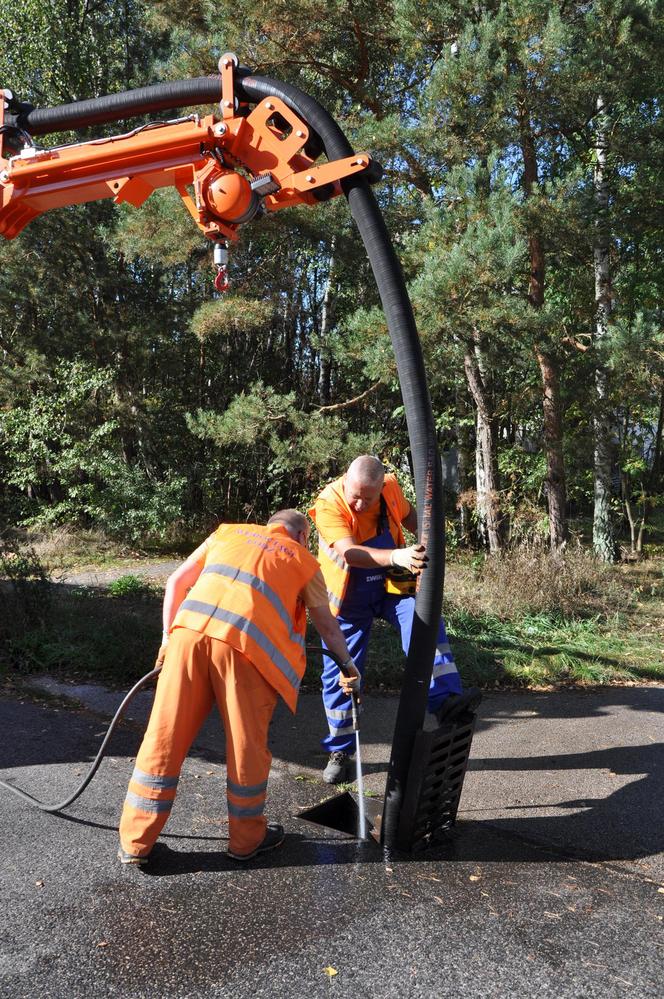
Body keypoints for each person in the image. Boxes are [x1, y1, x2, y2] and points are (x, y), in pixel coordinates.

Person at [118, 509, 359, 866]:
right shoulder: (304, 561)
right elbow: (326, 625)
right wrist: (349, 665)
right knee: (246, 748)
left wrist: (167, 640)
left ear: (269, 525)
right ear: (302, 536)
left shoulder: (227, 532)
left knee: (163, 737)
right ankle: (246, 842)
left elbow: (176, 583)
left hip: (188, 638)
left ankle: (136, 844)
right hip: (247, 654)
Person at [309, 455, 480, 784]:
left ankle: (445, 702)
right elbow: (349, 553)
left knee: (425, 627)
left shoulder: (390, 489)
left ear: (380, 487)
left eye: (367, 498)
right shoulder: (329, 503)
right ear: (346, 480)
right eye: (355, 495)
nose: (360, 503)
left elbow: (415, 519)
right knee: (341, 672)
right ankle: (341, 750)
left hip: (391, 585)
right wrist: (397, 555)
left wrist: (431, 537)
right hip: (349, 595)